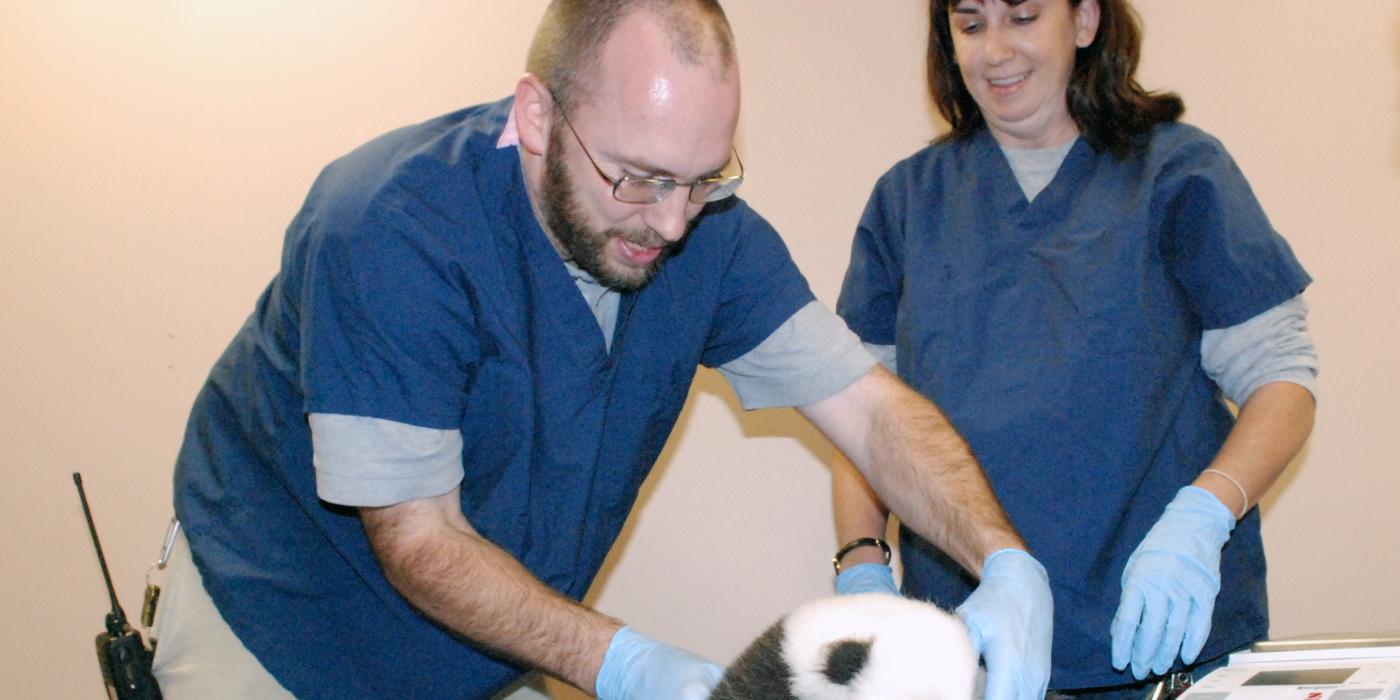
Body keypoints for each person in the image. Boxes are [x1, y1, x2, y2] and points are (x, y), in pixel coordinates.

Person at [150, 1, 1056, 699]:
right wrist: (621, 663)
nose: (670, 221)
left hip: (481, 650)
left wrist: (1005, 560)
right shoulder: (391, 230)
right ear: (538, 117)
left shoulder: (710, 235)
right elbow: (422, 545)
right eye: (640, 177)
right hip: (274, 630)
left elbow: (867, 409)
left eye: (704, 179)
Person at [830, 0, 1317, 698]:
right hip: (967, 648)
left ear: (1085, 21)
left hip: (1160, 643)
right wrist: (863, 563)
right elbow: (859, 413)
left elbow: (1283, 381)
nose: (995, 50)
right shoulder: (908, 201)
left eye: (1023, 17)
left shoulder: (1178, 173)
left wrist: (1204, 515)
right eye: (970, 25)